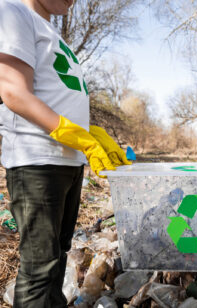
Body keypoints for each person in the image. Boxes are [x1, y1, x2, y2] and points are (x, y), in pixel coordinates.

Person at [0, 0, 130, 307]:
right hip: (37, 161)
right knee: (39, 267)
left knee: (57, 256)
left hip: (67, 161)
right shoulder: (13, 12)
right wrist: (76, 137)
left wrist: (91, 133)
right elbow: (13, 92)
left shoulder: (53, 33)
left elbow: (57, 95)